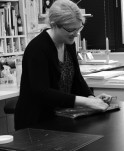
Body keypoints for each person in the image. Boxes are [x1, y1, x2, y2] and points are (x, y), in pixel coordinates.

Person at [15, 0, 111, 130]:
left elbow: (77, 79)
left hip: (60, 117)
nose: (76, 34)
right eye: (71, 29)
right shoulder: (37, 49)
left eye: (78, 28)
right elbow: (43, 92)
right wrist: (87, 102)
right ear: (54, 25)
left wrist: (91, 97)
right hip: (35, 123)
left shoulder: (68, 43)